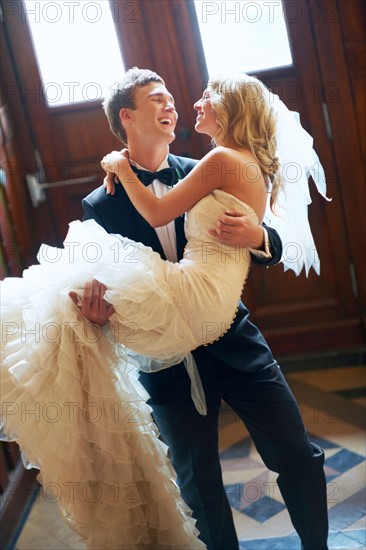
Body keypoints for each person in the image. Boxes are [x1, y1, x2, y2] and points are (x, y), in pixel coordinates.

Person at [0, 69, 329, 550]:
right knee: (199, 487)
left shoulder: (208, 164)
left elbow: (276, 237)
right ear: (126, 117)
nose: (174, 105)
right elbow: (106, 287)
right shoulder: (101, 204)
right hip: (166, 362)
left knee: (298, 455)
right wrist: (98, 320)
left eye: (174, 99)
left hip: (232, 341)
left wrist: (258, 237)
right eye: (158, 99)